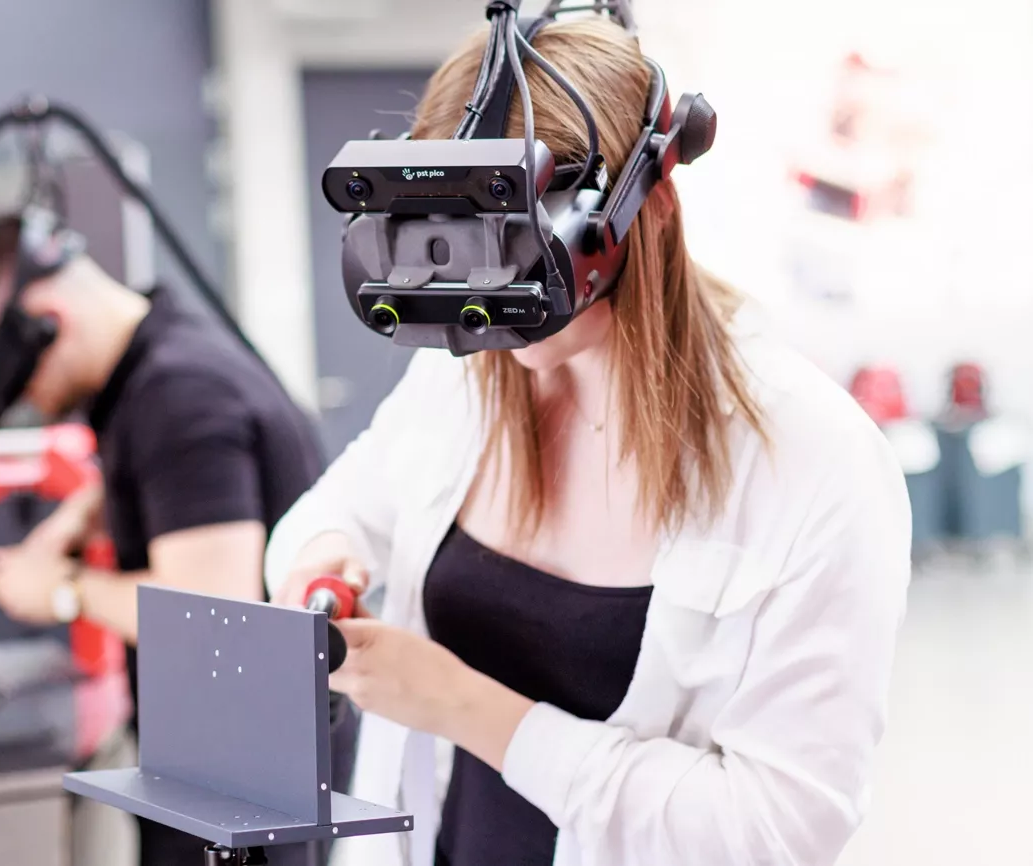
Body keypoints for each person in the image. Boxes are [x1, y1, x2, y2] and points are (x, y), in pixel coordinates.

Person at [267, 16, 911, 866]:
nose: (487, 307)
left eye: (513, 253)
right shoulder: (463, 375)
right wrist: (321, 565)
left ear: (653, 206)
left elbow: (777, 830)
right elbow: (334, 511)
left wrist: (466, 708)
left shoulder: (814, 462)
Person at [0, 214, 330, 865]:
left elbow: (219, 620)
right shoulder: (163, 358)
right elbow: (193, 481)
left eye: (22, 380)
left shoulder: (178, 396)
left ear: (46, 319)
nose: (30, 401)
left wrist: (62, 590)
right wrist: (92, 509)